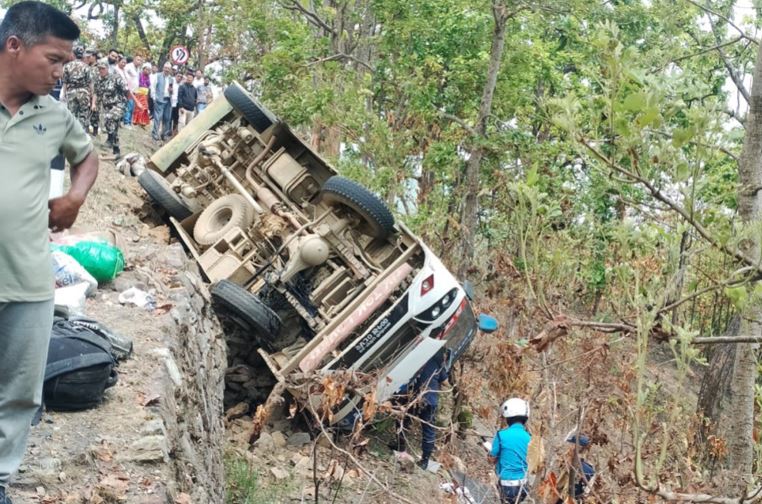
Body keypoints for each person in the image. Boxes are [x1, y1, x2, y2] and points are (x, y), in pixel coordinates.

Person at [0, 3, 99, 503]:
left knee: (19, 389)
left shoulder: (55, 116)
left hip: (27, 278)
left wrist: (75, 198)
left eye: (66, 62)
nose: (61, 71)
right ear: (14, 46)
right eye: (54, 58)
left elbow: (88, 158)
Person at [391, 349, 449, 470]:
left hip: (416, 398)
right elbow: (446, 382)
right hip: (430, 400)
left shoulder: (421, 357)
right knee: (428, 430)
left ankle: (400, 446)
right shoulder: (438, 364)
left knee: (403, 419)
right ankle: (425, 461)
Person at [94, 59, 140, 159]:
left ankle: (111, 142)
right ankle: (115, 147)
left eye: (103, 69)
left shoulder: (115, 78)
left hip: (119, 105)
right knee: (110, 124)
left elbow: (127, 91)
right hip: (107, 106)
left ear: (107, 69)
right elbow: (97, 93)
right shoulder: (99, 80)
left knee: (109, 118)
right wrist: (94, 104)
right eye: (99, 69)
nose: (101, 71)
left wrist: (136, 103)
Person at [489, 398, 531, 504]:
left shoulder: (501, 435)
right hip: (523, 485)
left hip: (506, 484)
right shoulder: (530, 437)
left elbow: (491, 459)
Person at [555, 434, 596, 503]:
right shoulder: (591, 471)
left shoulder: (569, 465)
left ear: (575, 447)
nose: (569, 447)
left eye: (571, 444)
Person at [60, 45, 92, 131]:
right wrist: (91, 94)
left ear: (73, 54)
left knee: (71, 114)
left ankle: (71, 134)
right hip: (84, 92)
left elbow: (65, 82)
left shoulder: (67, 66)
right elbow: (90, 82)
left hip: (71, 92)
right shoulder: (86, 67)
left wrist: (63, 93)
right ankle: (82, 133)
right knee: (83, 114)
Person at [151, 61, 173, 141]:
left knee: (167, 118)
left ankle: (164, 134)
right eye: (166, 68)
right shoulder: (158, 75)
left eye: (168, 68)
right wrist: (154, 97)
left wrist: (171, 91)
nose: (167, 70)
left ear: (170, 70)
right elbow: (153, 87)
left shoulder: (171, 78)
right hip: (159, 99)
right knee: (158, 117)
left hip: (168, 100)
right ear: (163, 68)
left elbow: (171, 90)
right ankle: (155, 134)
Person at [85, 48, 100, 135]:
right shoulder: (87, 66)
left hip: (96, 92)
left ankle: (95, 129)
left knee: (95, 112)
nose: (87, 58)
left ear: (94, 57)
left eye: (89, 56)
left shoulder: (99, 67)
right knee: (86, 111)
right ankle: (86, 128)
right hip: (87, 91)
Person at [122, 55, 139, 126]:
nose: (139, 62)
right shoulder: (128, 66)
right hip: (129, 90)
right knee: (129, 105)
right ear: (134, 59)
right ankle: (126, 122)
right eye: (138, 60)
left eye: (140, 60)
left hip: (135, 90)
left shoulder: (138, 68)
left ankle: (129, 121)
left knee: (132, 107)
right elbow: (124, 75)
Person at [132, 62, 151, 127]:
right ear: (143, 69)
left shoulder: (148, 77)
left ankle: (142, 121)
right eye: (146, 69)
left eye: (149, 70)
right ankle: (136, 120)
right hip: (139, 93)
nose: (147, 71)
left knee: (145, 107)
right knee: (138, 107)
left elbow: (148, 86)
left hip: (145, 94)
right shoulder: (139, 75)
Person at [170, 71, 181, 135]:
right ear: (175, 76)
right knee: (169, 118)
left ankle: (173, 133)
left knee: (175, 119)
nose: (179, 78)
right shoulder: (171, 83)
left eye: (180, 77)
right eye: (178, 76)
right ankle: (167, 131)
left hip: (177, 103)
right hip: (170, 102)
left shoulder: (181, 85)